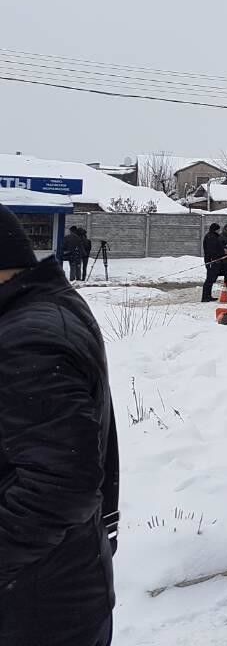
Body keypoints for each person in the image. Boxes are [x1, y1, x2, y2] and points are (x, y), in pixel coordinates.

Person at [0, 204, 119, 646]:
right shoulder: (40, 309)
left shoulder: (25, 341)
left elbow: (61, 484)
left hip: (35, 603)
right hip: (60, 584)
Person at [200, 223, 227, 303]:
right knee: (209, 280)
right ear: (215, 229)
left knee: (211, 279)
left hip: (215, 261)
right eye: (218, 229)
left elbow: (220, 245)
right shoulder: (210, 237)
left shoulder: (214, 236)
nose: (219, 231)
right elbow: (213, 250)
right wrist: (223, 252)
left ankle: (208, 296)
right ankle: (205, 297)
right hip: (212, 261)